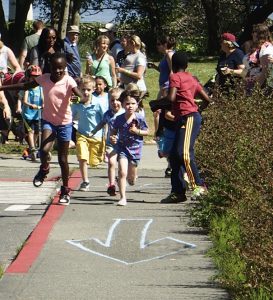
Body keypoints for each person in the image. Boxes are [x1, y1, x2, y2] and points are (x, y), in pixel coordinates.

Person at [0, 53, 83, 205]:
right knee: (43, 151)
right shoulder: (44, 78)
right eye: (54, 68)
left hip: (64, 123)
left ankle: (65, 190)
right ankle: (44, 169)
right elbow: (25, 85)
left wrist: (81, 98)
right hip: (49, 121)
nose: (57, 71)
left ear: (65, 68)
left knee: (62, 159)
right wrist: (3, 87)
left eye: (61, 68)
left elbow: (79, 93)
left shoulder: (68, 80)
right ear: (50, 67)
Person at [152, 51, 211, 204]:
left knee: (184, 153)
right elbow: (207, 99)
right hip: (186, 117)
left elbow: (171, 98)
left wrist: (156, 104)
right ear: (187, 65)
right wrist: (199, 109)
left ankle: (199, 187)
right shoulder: (191, 78)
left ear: (173, 65)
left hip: (189, 117)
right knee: (174, 156)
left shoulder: (174, 77)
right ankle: (178, 192)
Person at [110, 90, 149, 206]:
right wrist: (113, 138)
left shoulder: (140, 118)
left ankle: (131, 177)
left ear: (137, 104)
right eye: (127, 103)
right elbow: (113, 132)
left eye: (133, 103)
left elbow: (147, 131)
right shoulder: (119, 119)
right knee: (122, 172)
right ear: (122, 105)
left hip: (135, 149)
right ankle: (122, 197)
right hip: (122, 148)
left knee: (131, 180)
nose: (130, 106)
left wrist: (137, 131)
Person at [71, 75, 106, 192]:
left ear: (94, 89)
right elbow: (70, 117)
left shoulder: (98, 103)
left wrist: (106, 136)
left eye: (88, 90)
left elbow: (105, 120)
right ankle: (85, 181)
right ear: (79, 89)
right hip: (82, 135)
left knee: (94, 162)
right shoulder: (76, 104)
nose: (85, 92)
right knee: (82, 158)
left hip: (97, 137)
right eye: (83, 89)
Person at [90, 87, 124, 196]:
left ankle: (121, 179)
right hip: (111, 144)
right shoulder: (108, 114)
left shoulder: (125, 113)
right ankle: (111, 184)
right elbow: (102, 123)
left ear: (123, 101)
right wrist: (94, 131)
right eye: (112, 100)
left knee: (123, 168)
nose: (115, 103)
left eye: (118, 100)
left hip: (124, 144)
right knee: (111, 163)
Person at [0, 33, 22, 143]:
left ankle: (8, 132)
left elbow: (17, 67)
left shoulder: (5, 50)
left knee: (10, 102)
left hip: (5, 81)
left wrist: (14, 76)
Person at [19, 65, 43, 161]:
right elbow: (24, 100)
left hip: (37, 115)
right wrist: (30, 105)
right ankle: (33, 150)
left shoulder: (41, 88)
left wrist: (44, 105)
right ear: (29, 77)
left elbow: (43, 99)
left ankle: (30, 149)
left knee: (37, 132)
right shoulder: (27, 88)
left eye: (38, 77)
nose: (35, 79)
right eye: (34, 76)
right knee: (30, 131)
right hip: (28, 114)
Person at [243, 23, 273, 94]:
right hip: (251, 83)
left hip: (260, 86)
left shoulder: (266, 48)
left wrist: (255, 90)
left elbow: (265, 72)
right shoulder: (257, 48)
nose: (252, 34)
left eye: (254, 32)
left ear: (261, 34)